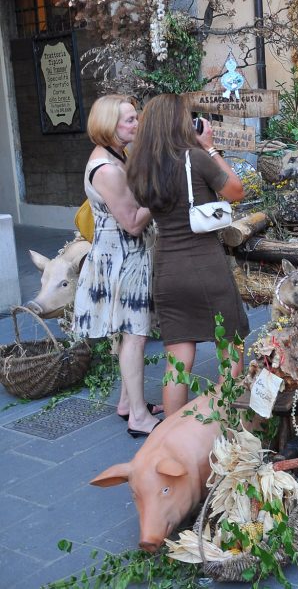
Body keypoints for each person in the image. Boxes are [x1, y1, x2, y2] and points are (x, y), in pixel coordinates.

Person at [126, 94, 248, 414]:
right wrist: (209, 146)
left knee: (177, 364)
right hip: (205, 266)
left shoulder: (142, 167)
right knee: (230, 349)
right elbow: (236, 190)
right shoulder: (196, 157)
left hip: (167, 270)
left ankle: (171, 437)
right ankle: (226, 425)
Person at [73, 95, 162, 438]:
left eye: (136, 118)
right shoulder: (108, 169)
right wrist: (159, 192)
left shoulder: (116, 156)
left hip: (125, 256)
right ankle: (138, 417)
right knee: (136, 336)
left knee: (131, 332)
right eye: (129, 120)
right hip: (123, 259)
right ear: (109, 126)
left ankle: (128, 404)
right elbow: (134, 223)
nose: (136, 124)